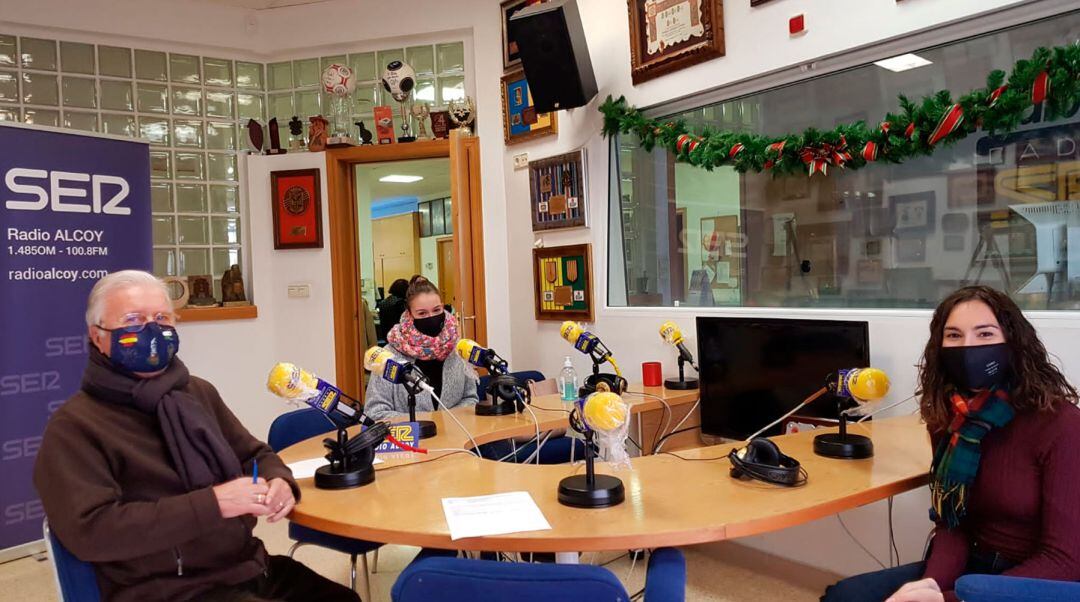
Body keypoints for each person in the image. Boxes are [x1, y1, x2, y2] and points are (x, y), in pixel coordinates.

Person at [34, 270, 359, 602]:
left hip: (244, 567)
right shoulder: (75, 427)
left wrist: (278, 480)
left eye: (162, 318)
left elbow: (254, 454)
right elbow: (92, 531)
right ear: (98, 336)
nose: (152, 330)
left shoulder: (197, 393)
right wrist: (212, 504)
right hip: (162, 589)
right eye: (133, 320)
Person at [821, 286, 1080, 602]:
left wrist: (949, 599)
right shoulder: (950, 419)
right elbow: (952, 525)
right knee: (845, 596)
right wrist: (930, 585)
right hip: (971, 566)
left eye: (984, 334)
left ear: (1014, 343)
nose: (968, 347)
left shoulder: (1061, 423)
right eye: (954, 335)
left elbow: (1065, 561)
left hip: (1035, 582)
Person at [365, 275, 477, 421]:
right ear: (410, 314)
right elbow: (375, 412)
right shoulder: (388, 356)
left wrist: (447, 422)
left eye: (437, 310)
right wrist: (424, 424)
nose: (431, 317)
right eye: (422, 313)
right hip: (410, 440)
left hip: (457, 437)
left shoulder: (457, 348)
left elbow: (470, 397)